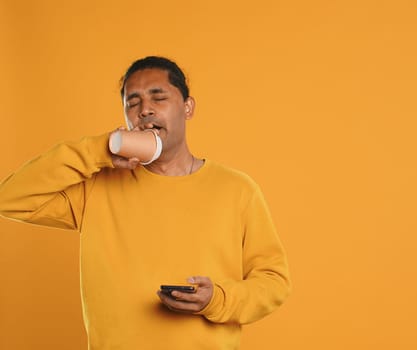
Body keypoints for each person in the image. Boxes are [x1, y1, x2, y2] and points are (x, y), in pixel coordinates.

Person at [0, 56, 291, 350]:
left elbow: (273, 281)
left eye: (158, 97)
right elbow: (10, 198)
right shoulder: (97, 187)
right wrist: (100, 148)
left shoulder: (237, 190)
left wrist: (216, 299)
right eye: (132, 102)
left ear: (188, 107)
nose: (144, 110)